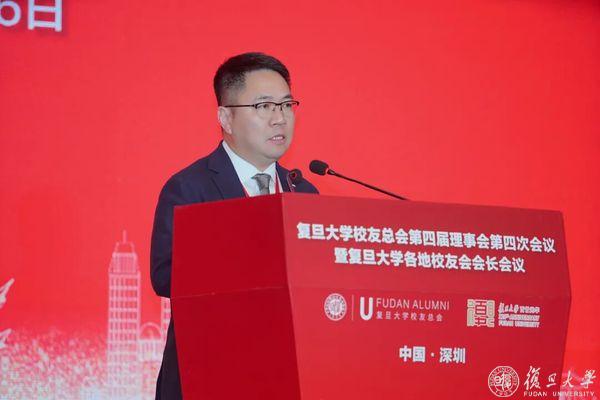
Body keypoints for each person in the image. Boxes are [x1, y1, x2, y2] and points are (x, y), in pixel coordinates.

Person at [150, 52, 318, 399]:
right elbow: (165, 275)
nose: (280, 118)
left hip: (285, 376)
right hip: (209, 373)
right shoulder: (189, 187)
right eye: (264, 106)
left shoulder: (303, 192)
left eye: (287, 105)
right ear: (226, 117)